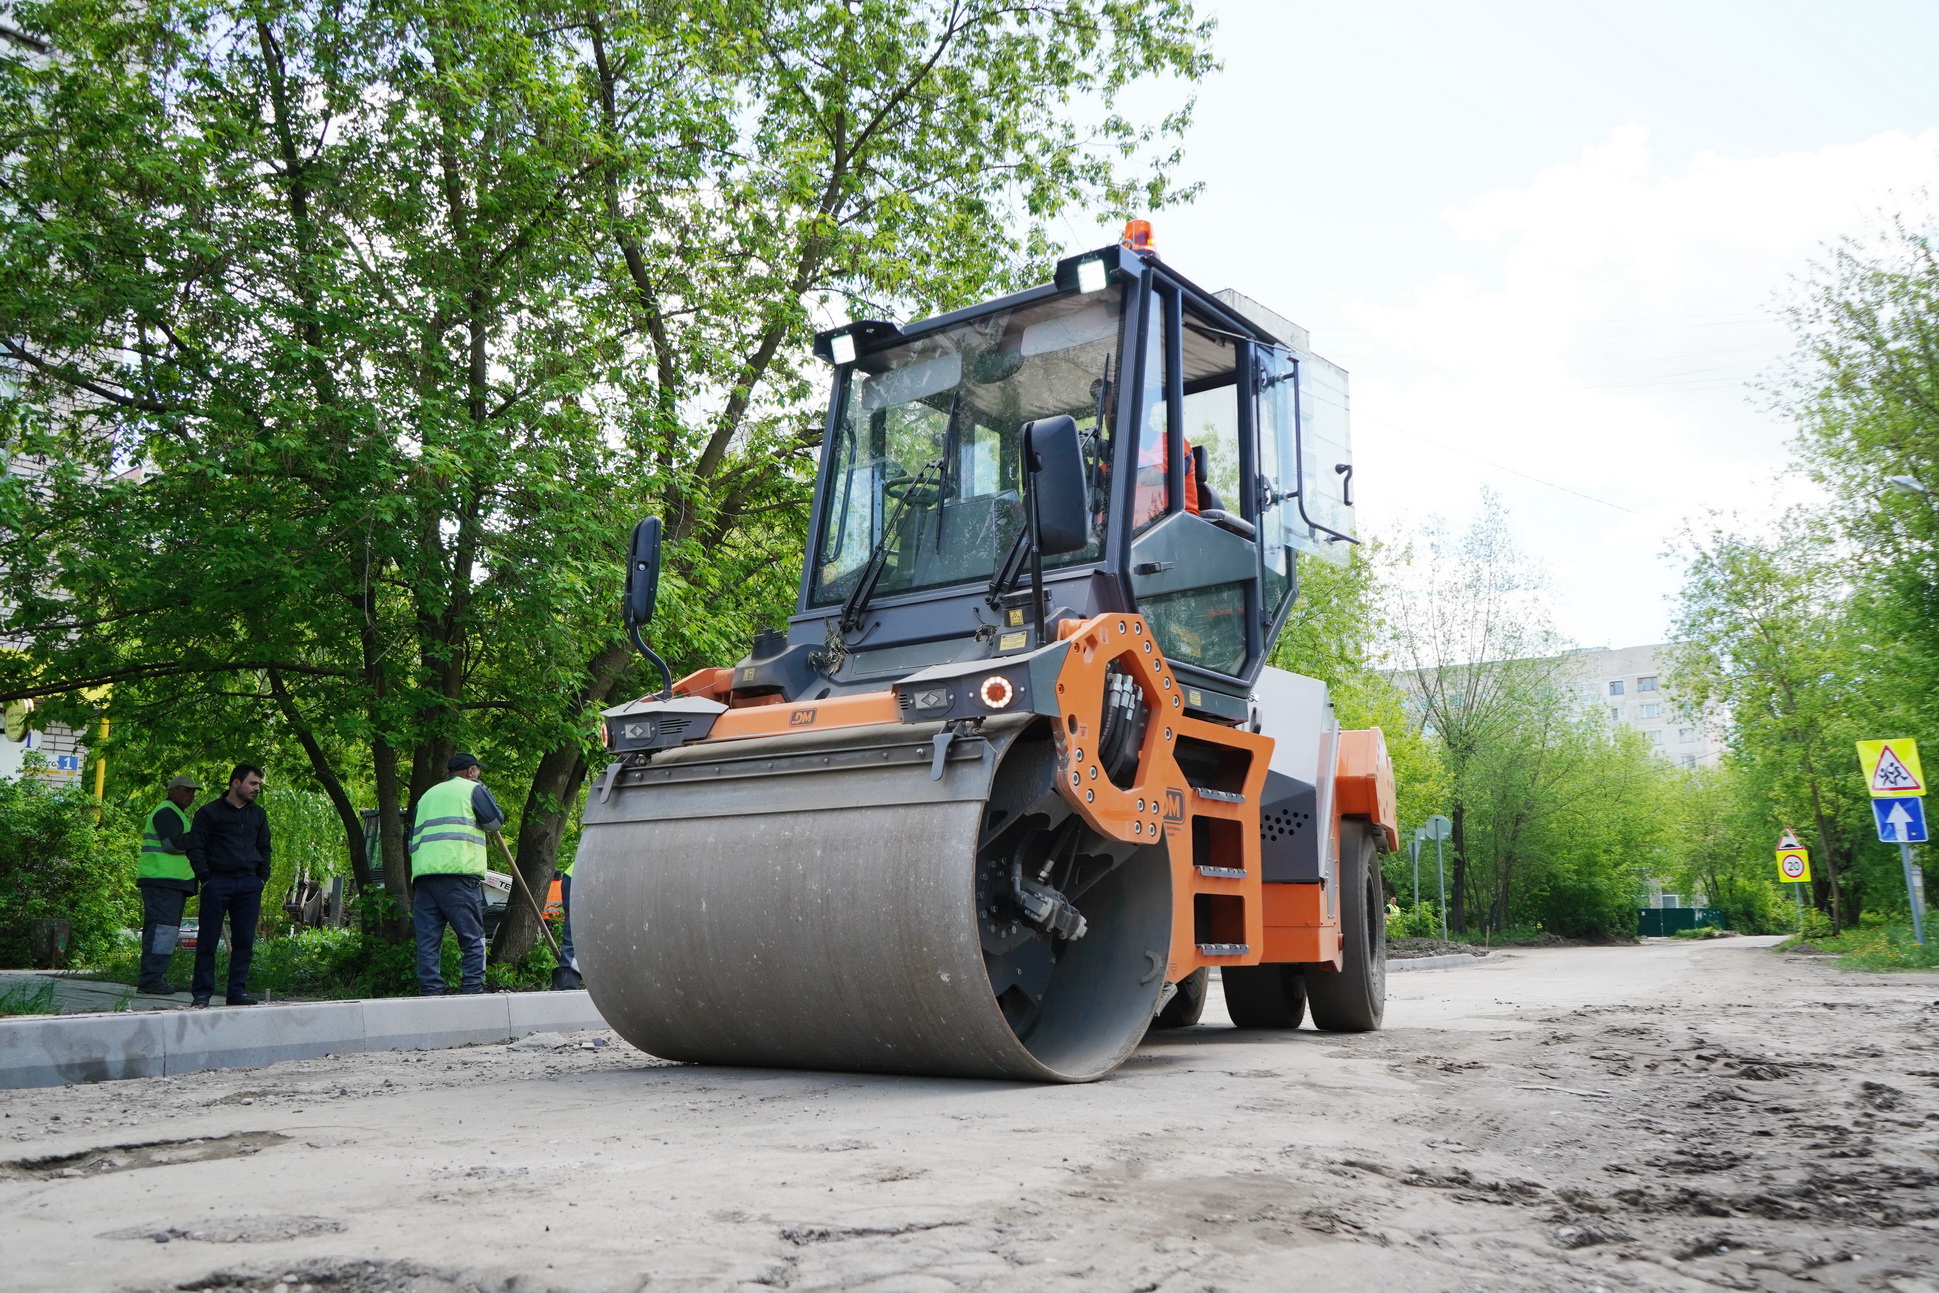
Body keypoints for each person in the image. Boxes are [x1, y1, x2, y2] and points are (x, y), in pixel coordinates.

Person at [409, 752, 504, 995]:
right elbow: (494, 823)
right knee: (472, 936)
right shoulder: (472, 790)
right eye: (478, 771)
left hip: (424, 877)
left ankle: (430, 991)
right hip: (458, 875)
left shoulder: (427, 796)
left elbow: (412, 837)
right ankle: (472, 989)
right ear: (471, 771)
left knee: (428, 941)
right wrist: (484, 791)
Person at [184, 764, 271, 1007]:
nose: (256, 789)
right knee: (208, 939)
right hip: (217, 881)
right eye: (253, 783)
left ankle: (237, 991)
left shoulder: (258, 815)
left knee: (244, 940)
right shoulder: (209, 813)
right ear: (235, 783)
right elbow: (196, 847)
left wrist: (261, 878)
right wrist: (206, 878)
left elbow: (265, 848)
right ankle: (202, 993)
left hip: (249, 884)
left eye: (258, 785)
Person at [135, 774, 201, 995]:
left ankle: (154, 977)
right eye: (185, 790)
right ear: (172, 791)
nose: (190, 795)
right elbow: (173, 845)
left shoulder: (174, 814)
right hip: (163, 881)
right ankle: (151, 979)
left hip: (168, 883)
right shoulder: (167, 812)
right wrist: (203, 837)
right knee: (162, 931)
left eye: (192, 791)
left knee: (163, 931)